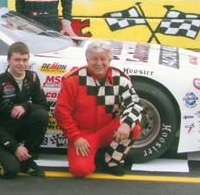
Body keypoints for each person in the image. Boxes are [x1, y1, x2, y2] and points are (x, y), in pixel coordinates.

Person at [53, 41, 143, 177]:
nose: (99, 63)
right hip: (83, 135)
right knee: (80, 171)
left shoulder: (121, 79)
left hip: (108, 131)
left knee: (133, 127)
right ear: (87, 59)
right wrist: (76, 137)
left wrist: (125, 124)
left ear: (110, 60)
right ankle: (97, 154)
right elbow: (61, 112)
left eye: (103, 59)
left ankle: (113, 160)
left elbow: (135, 104)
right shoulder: (73, 80)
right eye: (95, 59)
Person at [0, 42, 49, 178]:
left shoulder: (32, 77)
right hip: (0, 134)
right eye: (17, 60)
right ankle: (1, 154)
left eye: (25, 60)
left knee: (41, 115)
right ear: (8, 60)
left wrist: (25, 106)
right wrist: (14, 147)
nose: (21, 64)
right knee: (10, 172)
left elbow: (43, 105)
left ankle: (27, 160)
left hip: (19, 129)